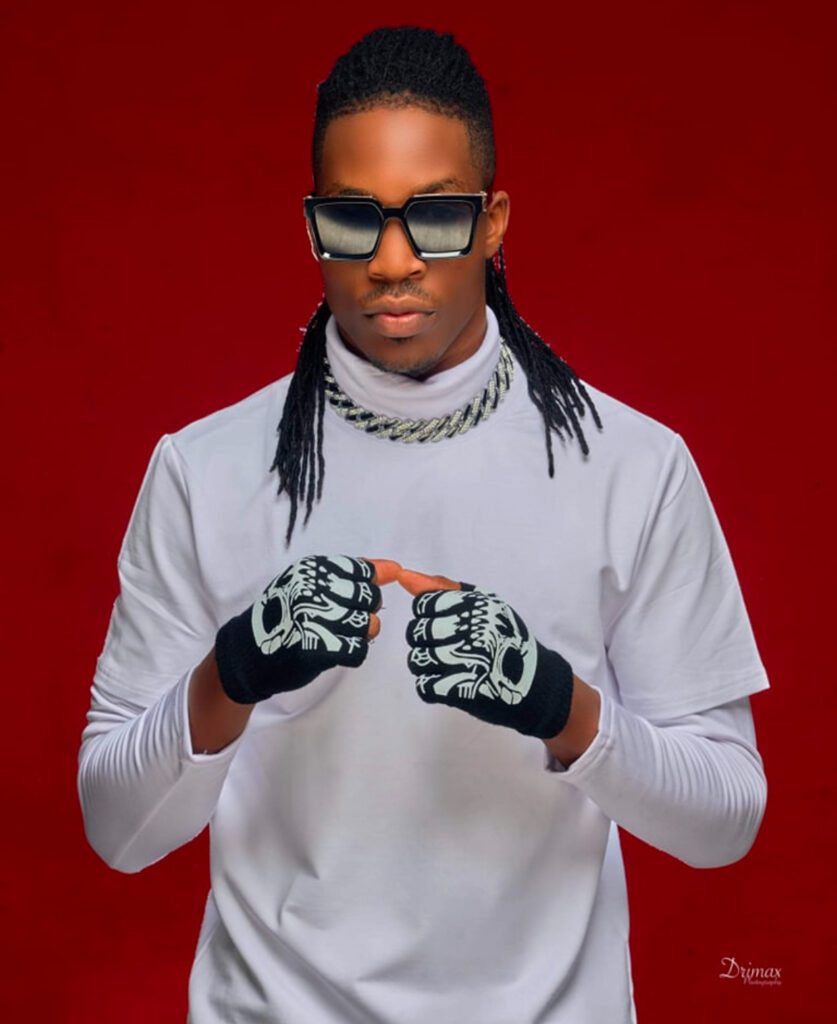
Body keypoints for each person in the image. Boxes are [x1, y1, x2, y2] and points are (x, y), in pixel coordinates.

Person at [77, 25, 770, 1024]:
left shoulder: (632, 466)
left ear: (493, 223)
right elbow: (117, 829)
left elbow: (724, 822)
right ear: (313, 227)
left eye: (436, 216)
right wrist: (231, 673)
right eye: (353, 219)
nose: (393, 262)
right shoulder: (203, 470)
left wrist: (561, 707)